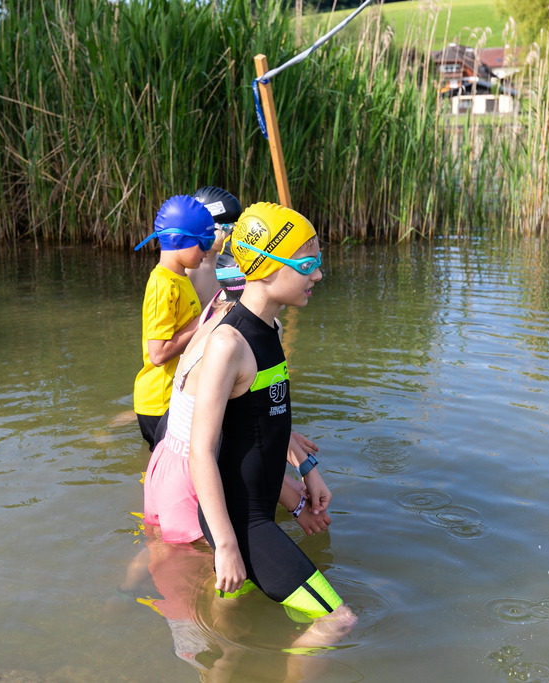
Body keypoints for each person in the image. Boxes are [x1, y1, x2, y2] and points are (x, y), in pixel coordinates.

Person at [189, 202, 356, 671]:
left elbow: (264, 423)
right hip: (241, 522)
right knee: (338, 619)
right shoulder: (228, 344)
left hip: (260, 507)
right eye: (307, 264)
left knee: (233, 605)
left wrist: (304, 477)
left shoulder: (271, 328)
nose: (318, 275)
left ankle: (216, 655)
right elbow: (200, 452)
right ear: (263, 267)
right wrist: (225, 544)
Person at [142, 260, 333, 544]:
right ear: (262, 281)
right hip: (197, 478)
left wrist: (302, 462)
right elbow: (244, 446)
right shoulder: (242, 340)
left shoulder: (214, 316)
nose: (315, 276)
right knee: (215, 576)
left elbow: (253, 422)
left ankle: (124, 588)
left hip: (168, 462)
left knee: (162, 552)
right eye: (303, 266)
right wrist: (298, 503)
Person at [132, 195, 216, 451]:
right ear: (178, 240)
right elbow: (157, 354)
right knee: (167, 473)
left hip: (173, 396)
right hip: (159, 402)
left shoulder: (179, 279)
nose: (207, 250)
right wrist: (203, 322)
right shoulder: (163, 285)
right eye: (203, 242)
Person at [186, 186, 243, 309]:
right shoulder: (190, 271)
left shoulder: (226, 263)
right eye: (232, 229)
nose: (235, 235)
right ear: (211, 229)